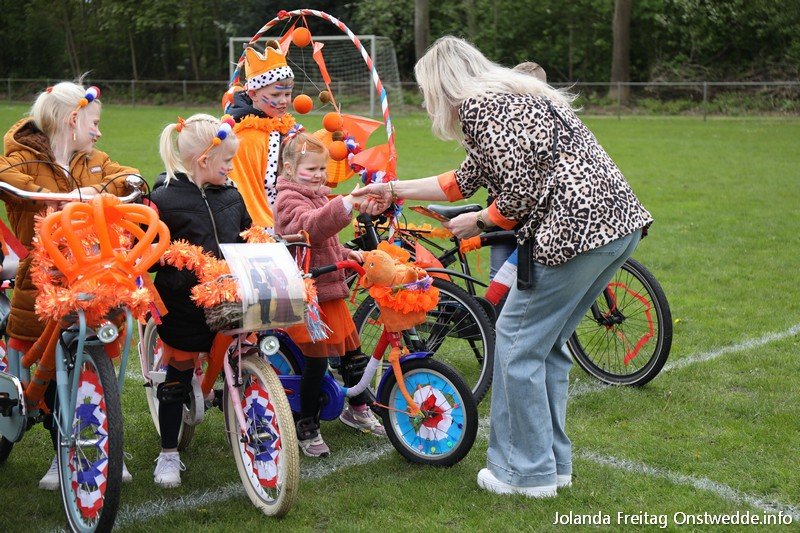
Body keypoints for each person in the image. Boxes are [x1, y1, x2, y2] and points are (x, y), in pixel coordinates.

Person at [353, 36, 653, 497]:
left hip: (574, 231)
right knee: (545, 347)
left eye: (426, 89)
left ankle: (524, 473)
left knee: (515, 342)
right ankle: (553, 465)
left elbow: (519, 191)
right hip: (614, 225)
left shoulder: (481, 107)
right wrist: (392, 190)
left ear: (441, 83)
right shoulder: (512, 99)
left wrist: (481, 221)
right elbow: (461, 181)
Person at [0, 81, 139, 489]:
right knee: (48, 363)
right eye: (93, 123)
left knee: (95, 359)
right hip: (41, 279)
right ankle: (60, 451)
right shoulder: (22, 157)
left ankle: (106, 444)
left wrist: (95, 190)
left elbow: (128, 177)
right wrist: (61, 196)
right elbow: (8, 181)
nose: (99, 132)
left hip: (91, 271)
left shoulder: (92, 160)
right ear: (71, 120)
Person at [149, 114, 251, 487]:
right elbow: (150, 252)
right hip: (183, 306)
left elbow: (246, 236)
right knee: (176, 378)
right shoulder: (164, 199)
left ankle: (241, 411)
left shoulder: (232, 195)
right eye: (227, 160)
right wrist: (176, 265)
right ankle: (168, 453)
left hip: (229, 299)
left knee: (241, 359)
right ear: (204, 160)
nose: (231, 167)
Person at [274, 131, 385, 458]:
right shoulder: (288, 200)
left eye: (322, 168)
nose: (319, 175)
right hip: (308, 296)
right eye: (311, 169)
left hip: (330, 290)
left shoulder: (318, 196)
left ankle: (358, 408)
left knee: (353, 353)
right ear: (290, 169)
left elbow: (327, 243)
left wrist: (348, 254)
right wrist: (346, 203)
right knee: (316, 361)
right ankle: (307, 424)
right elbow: (310, 228)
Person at [226, 41, 299, 228]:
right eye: (275, 95)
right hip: (259, 226)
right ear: (253, 94)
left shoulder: (283, 126)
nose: (283, 101)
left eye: (287, 94)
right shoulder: (244, 135)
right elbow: (242, 186)